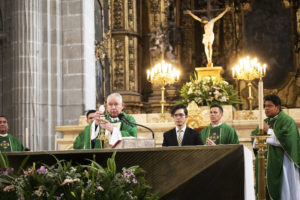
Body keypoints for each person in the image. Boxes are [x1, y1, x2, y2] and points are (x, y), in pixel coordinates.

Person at [252, 94, 300, 200]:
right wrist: (258, 135)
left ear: (277, 107)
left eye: (269, 106)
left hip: (282, 163)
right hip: (264, 162)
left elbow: (288, 140)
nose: (266, 109)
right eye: (265, 106)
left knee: (282, 192)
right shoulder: (265, 122)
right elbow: (255, 141)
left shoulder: (287, 120)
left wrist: (268, 131)